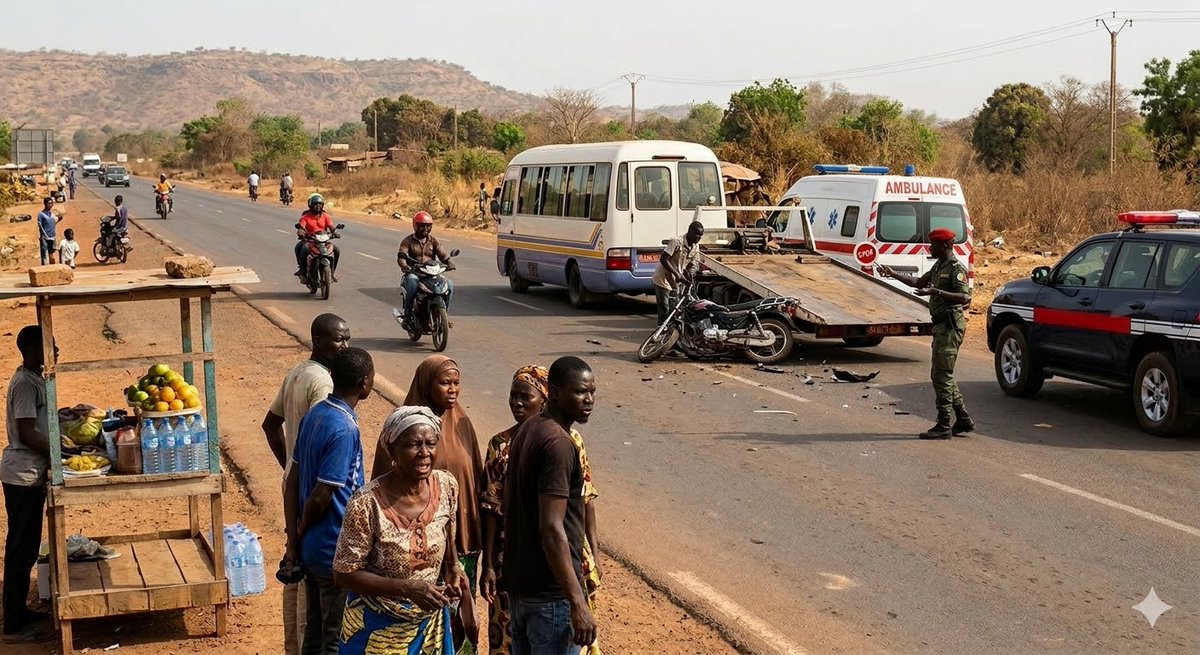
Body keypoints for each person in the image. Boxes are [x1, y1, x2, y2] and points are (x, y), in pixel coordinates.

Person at [481, 366, 603, 655]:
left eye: (591, 392)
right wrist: (577, 601)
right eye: (580, 392)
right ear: (555, 393)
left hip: (523, 591)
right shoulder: (558, 444)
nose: (588, 400)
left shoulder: (529, 430)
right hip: (551, 596)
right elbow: (551, 527)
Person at [333, 406, 472, 654]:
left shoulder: (446, 485)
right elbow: (343, 573)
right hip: (376, 628)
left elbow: (448, 533)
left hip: (429, 628)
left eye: (431, 444)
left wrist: (452, 569)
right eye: (413, 445)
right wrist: (407, 588)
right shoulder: (366, 503)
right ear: (393, 450)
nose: (424, 453)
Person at [371, 355, 482, 651]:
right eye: (444, 383)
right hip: (413, 552)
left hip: (460, 545)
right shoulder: (402, 431)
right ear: (425, 384)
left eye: (456, 383)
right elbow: (383, 488)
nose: (452, 390)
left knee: (459, 623)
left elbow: (476, 479)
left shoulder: (463, 424)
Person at [263, 313, 349, 655]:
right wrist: (302, 475)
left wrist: (290, 467)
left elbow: (270, 425)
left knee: (296, 569)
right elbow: (322, 432)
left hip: (299, 487)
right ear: (318, 341)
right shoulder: (324, 384)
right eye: (339, 339)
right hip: (315, 493)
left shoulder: (299, 372)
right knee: (311, 586)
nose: (345, 346)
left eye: (347, 339)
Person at [284, 347, 374, 655]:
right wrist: (300, 529)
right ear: (365, 383)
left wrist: (296, 536)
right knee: (335, 637)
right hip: (334, 547)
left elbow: (292, 480)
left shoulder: (315, 414)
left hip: (312, 547)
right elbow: (323, 495)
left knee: (315, 631)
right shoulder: (344, 428)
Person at [879, 227, 974, 439]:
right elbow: (919, 282)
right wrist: (893, 274)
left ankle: (944, 424)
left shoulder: (955, 268)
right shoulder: (939, 265)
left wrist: (935, 291)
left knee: (941, 375)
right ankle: (963, 418)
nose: (930, 248)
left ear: (945, 245)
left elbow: (964, 297)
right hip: (941, 327)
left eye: (933, 245)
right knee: (943, 374)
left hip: (950, 327)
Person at [2, 326, 57, 642]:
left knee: (27, 547)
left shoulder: (36, 379)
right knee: (20, 549)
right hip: (22, 476)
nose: (56, 350)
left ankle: (19, 611)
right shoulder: (24, 384)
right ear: (34, 349)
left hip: (31, 474)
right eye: (50, 345)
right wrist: (57, 453)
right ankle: (12, 622)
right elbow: (26, 432)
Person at [396, 211, 456, 329]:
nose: (425, 228)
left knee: (449, 285)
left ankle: (444, 315)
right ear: (415, 225)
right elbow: (401, 257)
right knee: (412, 284)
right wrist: (404, 266)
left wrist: (449, 263)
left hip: (431, 273)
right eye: (422, 225)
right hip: (414, 273)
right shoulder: (407, 241)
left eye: (428, 226)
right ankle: (407, 317)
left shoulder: (433, 241)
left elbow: (443, 255)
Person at [651, 221, 704, 325]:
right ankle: (661, 330)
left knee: (674, 309)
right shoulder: (676, 241)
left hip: (675, 282)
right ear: (690, 232)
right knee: (664, 310)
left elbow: (693, 264)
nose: (699, 238)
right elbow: (664, 259)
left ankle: (671, 331)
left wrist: (689, 274)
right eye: (697, 235)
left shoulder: (695, 247)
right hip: (663, 279)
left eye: (701, 236)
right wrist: (677, 274)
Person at [294, 194, 341, 281]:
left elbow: (331, 227)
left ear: (322, 205)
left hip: (323, 241)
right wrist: (300, 232)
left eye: (320, 204)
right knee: (301, 248)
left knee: (337, 250)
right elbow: (301, 227)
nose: (318, 206)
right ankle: (302, 272)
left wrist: (335, 232)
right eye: (315, 204)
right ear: (310, 205)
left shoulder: (326, 216)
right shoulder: (305, 217)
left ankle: (332, 273)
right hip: (310, 240)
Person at [36, 198, 62, 266]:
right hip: (44, 237)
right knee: (44, 255)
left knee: (52, 254)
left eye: (51, 203)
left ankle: (52, 268)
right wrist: (43, 236)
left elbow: (56, 220)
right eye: (49, 203)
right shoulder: (41, 214)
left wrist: (59, 215)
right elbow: (40, 226)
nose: (50, 205)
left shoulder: (53, 214)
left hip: (52, 237)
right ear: (45, 204)